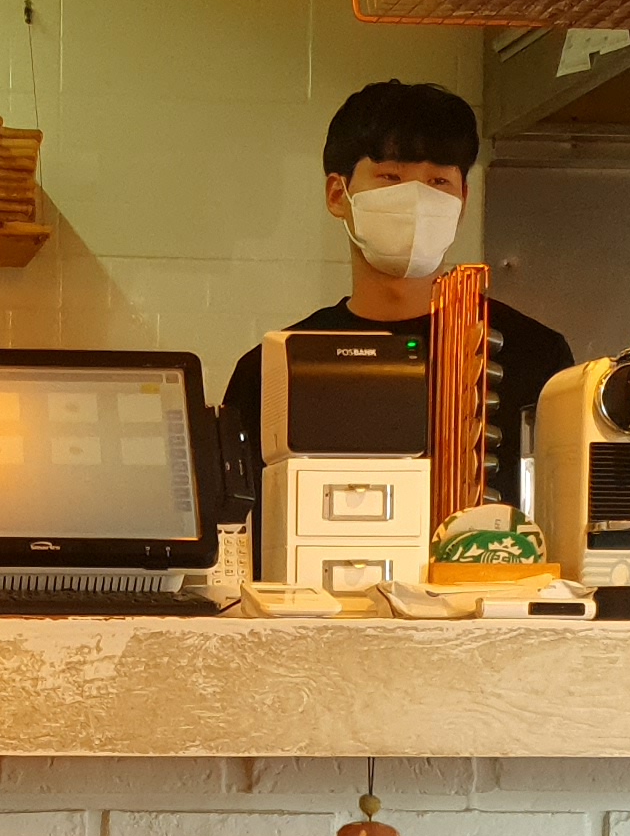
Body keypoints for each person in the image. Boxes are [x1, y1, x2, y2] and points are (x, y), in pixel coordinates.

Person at [218, 77, 569, 527]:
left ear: (462, 201)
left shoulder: (536, 357)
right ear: (338, 195)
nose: (417, 199)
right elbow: (237, 540)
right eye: (391, 178)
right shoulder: (272, 368)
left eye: (438, 181)